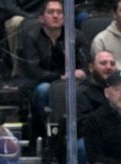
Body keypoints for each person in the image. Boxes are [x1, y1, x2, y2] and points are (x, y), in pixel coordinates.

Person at [20, 0, 88, 136]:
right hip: (42, 81)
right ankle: (44, 134)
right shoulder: (31, 37)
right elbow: (32, 70)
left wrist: (84, 72)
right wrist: (59, 77)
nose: (55, 16)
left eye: (59, 12)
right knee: (43, 90)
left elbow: (88, 64)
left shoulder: (76, 36)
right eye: (51, 12)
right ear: (41, 18)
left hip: (73, 81)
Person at [0, 0, 45, 77]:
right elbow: (9, 7)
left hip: (43, 14)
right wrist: (30, 17)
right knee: (16, 22)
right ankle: (17, 69)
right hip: (18, 16)